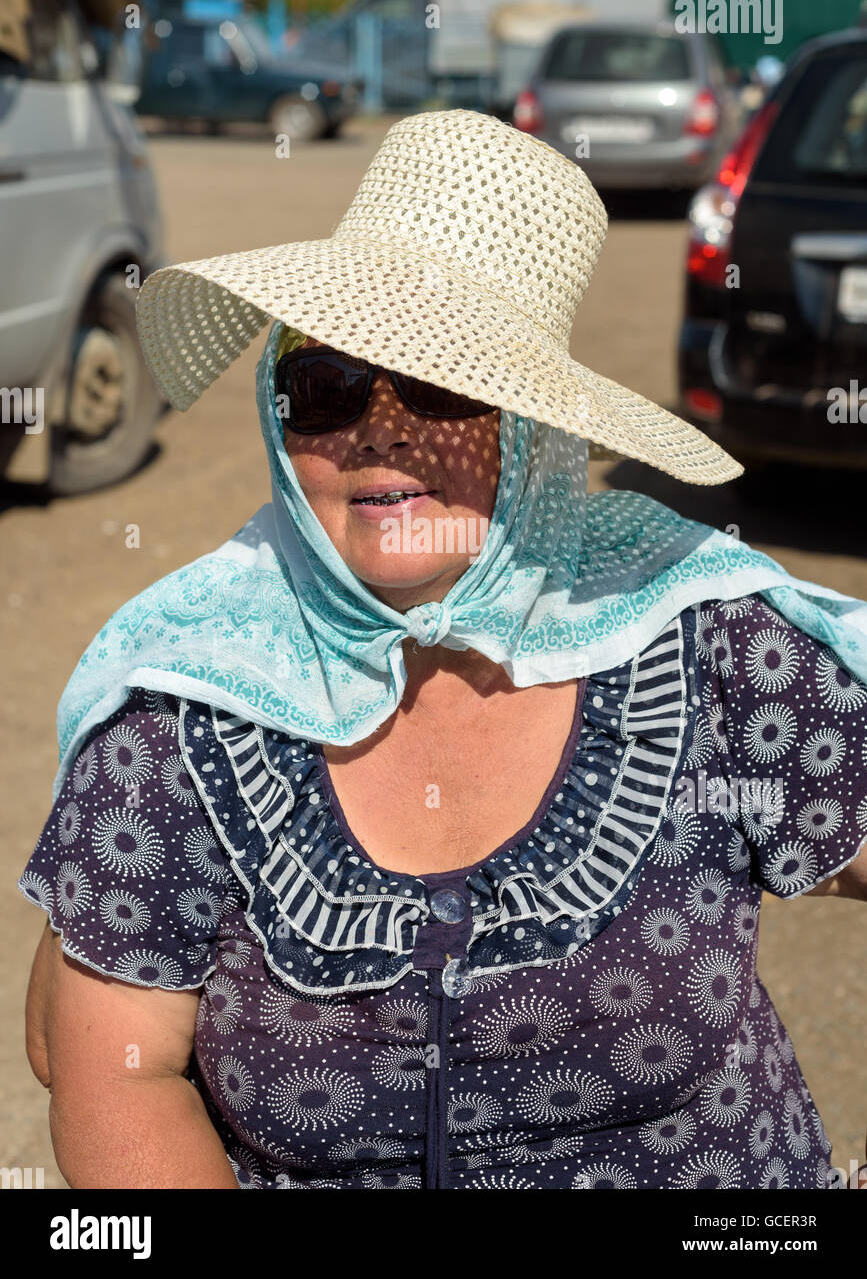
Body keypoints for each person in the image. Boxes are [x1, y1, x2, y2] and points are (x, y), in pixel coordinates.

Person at [19, 109, 867, 1190]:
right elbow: (109, 1071)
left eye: (437, 384)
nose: (379, 430)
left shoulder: (701, 634)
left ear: (532, 426)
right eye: (327, 388)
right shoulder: (185, 697)